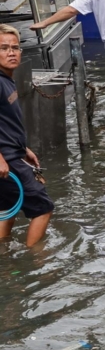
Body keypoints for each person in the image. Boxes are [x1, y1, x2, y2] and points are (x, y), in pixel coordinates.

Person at [0, 25, 54, 247]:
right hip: (7, 160)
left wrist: (24, 149)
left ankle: (5, 258)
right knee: (43, 208)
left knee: (7, 209)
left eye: (15, 48)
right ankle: (35, 258)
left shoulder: (6, 78)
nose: (11, 52)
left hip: (13, 154)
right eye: (4, 48)